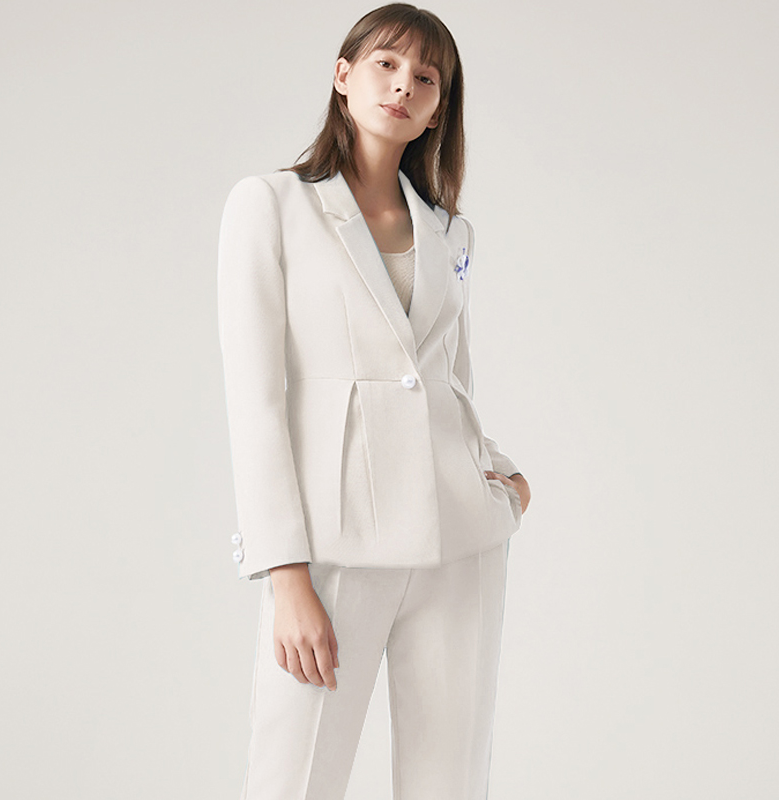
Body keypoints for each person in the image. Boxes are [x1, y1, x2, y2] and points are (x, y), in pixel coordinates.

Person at [216, 4, 532, 798]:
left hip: (459, 539)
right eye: (386, 64)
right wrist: (286, 574)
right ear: (343, 74)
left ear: (438, 110)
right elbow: (255, 400)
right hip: (335, 545)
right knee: (293, 780)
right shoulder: (271, 205)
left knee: (449, 781)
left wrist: (504, 479)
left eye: (426, 78)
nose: (403, 86)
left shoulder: (450, 231)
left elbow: (450, 380)